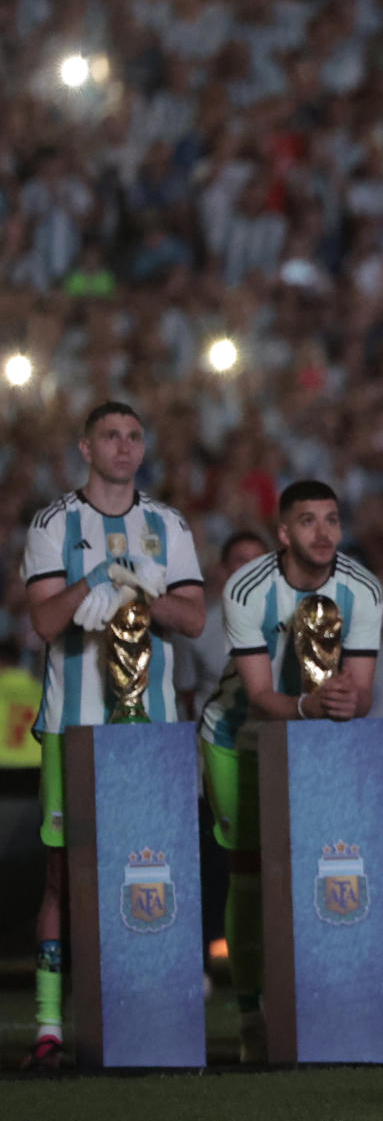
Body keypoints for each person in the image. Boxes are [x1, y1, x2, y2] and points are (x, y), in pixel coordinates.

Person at [19, 401, 206, 1070]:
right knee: (62, 875)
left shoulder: (168, 525)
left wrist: (142, 594)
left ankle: (148, 1008)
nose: (124, 447)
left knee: (151, 865)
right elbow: (43, 623)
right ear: (86, 448)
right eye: (110, 436)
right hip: (73, 725)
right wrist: (94, 581)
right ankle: (48, 1025)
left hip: (149, 730)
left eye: (133, 436)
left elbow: (194, 620)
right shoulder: (53, 523)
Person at [196, 481, 383, 1060]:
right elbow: (257, 698)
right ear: (283, 533)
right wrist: (312, 705)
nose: (323, 533)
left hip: (318, 742)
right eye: (307, 521)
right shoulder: (248, 588)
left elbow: (364, 692)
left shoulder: (365, 590)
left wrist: (349, 704)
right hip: (240, 738)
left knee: (324, 870)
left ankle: (323, 1006)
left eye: (331, 520)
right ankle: (251, 1011)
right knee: (249, 875)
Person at [174, 531, 268, 719]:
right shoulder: (198, 626)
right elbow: (185, 694)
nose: (251, 568)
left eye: (259, 561)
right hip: (215, 739)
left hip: (274, 737)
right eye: (241, 560)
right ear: (224, 569)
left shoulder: (293, 623)